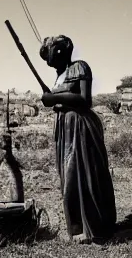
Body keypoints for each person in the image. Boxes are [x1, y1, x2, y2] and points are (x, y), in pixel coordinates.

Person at [39, 35, 116, 244]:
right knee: (69, 176)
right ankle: (76, 227)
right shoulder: (60, 75)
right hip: (65, 129)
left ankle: (95, 226)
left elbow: (84, 99)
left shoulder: (79, 67)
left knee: (84, 173)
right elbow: (58, 101)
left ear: (61, 51)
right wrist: (52, 100)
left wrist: (54, 98)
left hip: (81, 128)